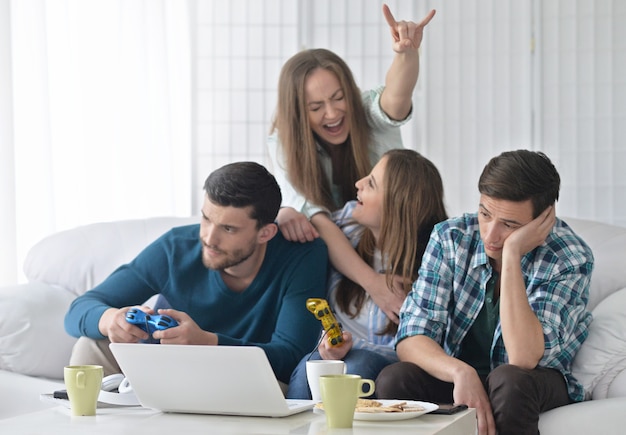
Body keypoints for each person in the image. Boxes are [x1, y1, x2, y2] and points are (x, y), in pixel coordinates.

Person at [375, 150, 594, 435]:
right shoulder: (451, 237)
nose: (490, 235)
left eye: (510, 225)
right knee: (394, 379)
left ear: (543, 220)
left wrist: (513, 254)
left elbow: (524, 357)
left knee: (509, 381)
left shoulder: (568, 257)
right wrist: (459, 372)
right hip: (464, 378)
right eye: (485, 214)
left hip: (532, 381)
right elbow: (411, 337)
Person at [64, 162, 328, 384]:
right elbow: (78, 310)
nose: (209, 238)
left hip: (241, 381)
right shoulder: (175, 248)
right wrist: (111, 320)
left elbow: (291, 356)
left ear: (265, 233)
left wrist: (208, 343)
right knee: (90, 345)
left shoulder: (302, 256)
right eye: (206, 219)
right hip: (166, 372)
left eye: (228, 229)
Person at [267, 3, 437, 326]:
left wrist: (406, 54)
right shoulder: (284, 145)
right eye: (316, 107)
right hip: (343, 261)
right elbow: (316, 220)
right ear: (298, 114)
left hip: (398, 239)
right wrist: (375, 284)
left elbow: (396, 98)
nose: (332, 114)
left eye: (338, 97)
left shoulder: (366, 111)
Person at [286, 149, 448, 399]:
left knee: (357, 368)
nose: (358, 184)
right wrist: (286, 213)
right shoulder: (348, 229)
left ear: (396, 205)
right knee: (306, 373)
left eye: (371, 184)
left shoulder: (433, 264)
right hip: (330, 350)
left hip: (384, 362)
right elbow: (314, 220)